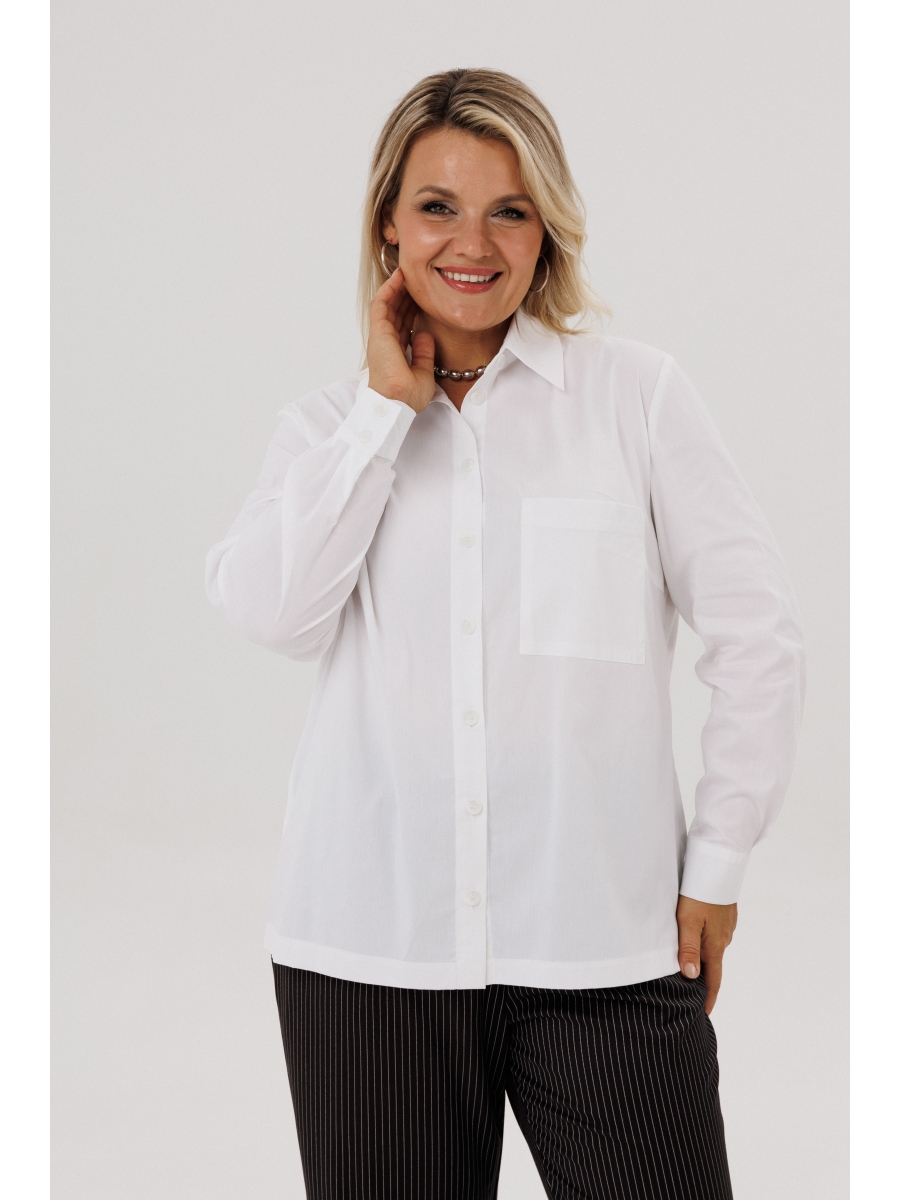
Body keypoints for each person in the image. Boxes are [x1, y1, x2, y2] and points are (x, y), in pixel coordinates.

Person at [206, 68, 805, 1200]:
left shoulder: (635, 400)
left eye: (509, 210)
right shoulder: (327, 430)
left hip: (606, 944)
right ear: (389, 222)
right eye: (438, 206)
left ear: (547, 229)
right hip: (370, 953)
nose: (472, 243)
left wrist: (718, 864)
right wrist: (384, 416)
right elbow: (270, 614)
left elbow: (757, 635)